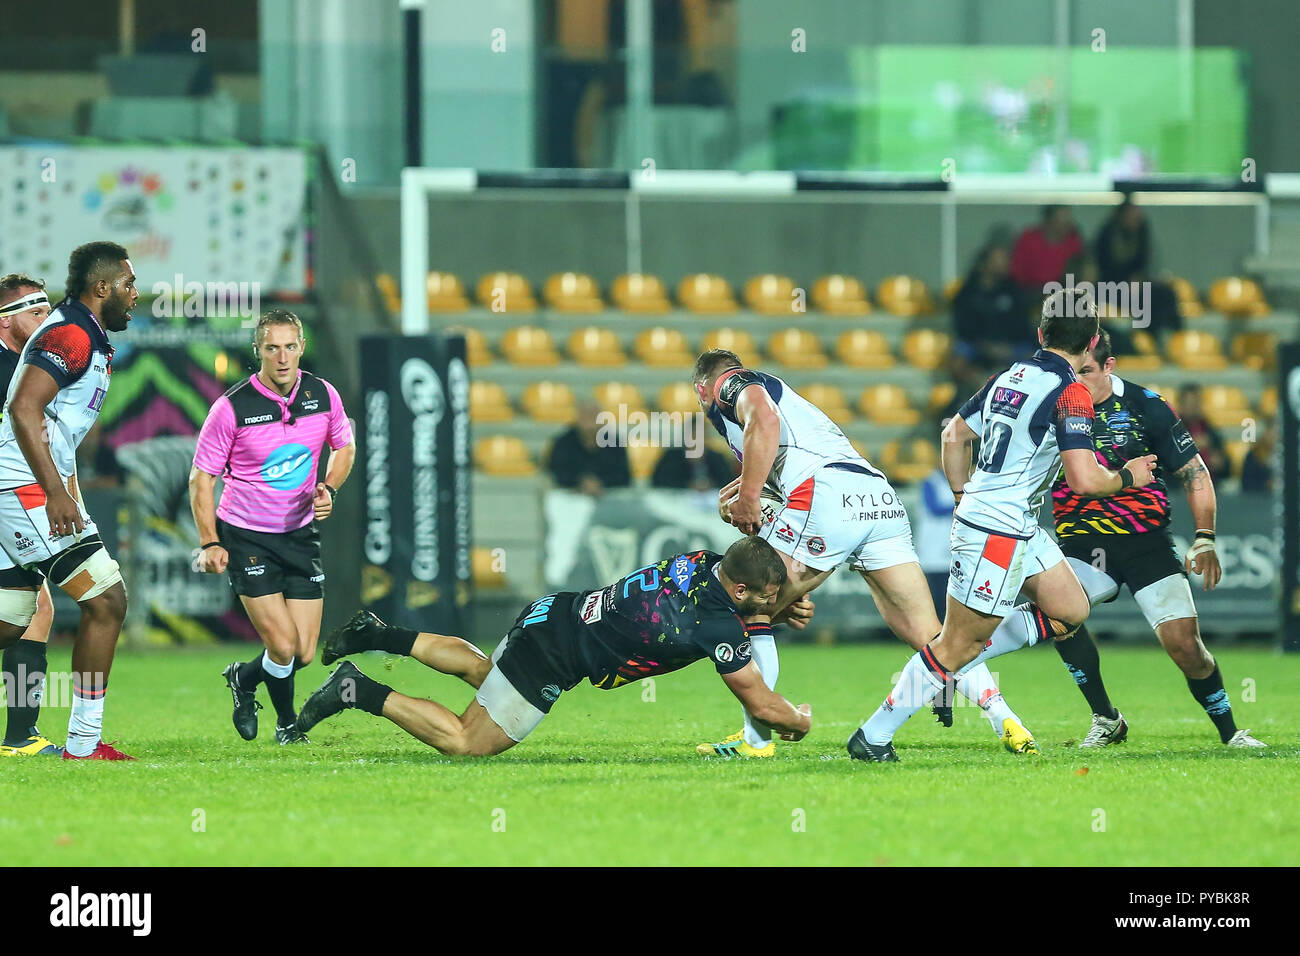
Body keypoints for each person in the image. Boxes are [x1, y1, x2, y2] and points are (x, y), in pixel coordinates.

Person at [850, 290, 1158, 762]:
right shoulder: (1072, 392)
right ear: (1092, 340)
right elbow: (1083, 479)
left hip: (1013, 524)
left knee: (1069, 608)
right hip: (997, 530)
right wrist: (1128, 476)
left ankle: (945, 662)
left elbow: (953, 434)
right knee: (957, 644)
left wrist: (961, 495)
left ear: (1040, 335)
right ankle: (874, 735)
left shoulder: (1010, 375)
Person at [693, 349, 1032, 759]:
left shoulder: (732, 384)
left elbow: (764, 420)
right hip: (877, 498)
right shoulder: (784, 407)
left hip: (826, 493)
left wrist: (748, 497)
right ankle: (1005, 717)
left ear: (701, 389)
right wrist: (751, 490)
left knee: (751, 608)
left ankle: (756, 741)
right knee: (934, 636)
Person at [294, 537, 812, 756]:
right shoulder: (716, 625)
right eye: (767, 597)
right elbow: (762, 704)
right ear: (740, 591)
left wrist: (777, 607)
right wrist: (800, 721)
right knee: (466, 741)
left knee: (487, 675)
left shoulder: (704, 560)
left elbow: (738, 597)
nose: (772, 603)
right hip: (555, 656)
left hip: (556, 610)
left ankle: (378, 635)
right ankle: (354, 690)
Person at [1045, 330, 1264, 748]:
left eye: (1086, 371)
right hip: (1082, 544)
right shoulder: (1054, 405)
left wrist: (1204, 537)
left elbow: (1194, 473)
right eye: (1073, 371)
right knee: (1059, 615)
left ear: (1109, 367)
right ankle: (1106, 718)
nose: (1076, 380)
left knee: (1185, 647)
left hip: (1146, 542)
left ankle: (1230, 732)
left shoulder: (1147, 406)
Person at [191, 310, 355, 745]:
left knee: (302, 652)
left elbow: (345, 446)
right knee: (282, 647)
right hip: (247, 537)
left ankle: (243, 679)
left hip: (300, 535)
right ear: (257, 351)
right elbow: (201, 479)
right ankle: (287, 726)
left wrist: (330, 489)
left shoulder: (323, 394)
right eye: (271, 348)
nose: (281, 357)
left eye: (289, 346)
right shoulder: (231, 407)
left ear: (301, 347)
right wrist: (210, 541)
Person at [0, 242, 138, 760]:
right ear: (101, 288)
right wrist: (56, 494)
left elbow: (54, 429)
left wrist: (67, 487)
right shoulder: (72, 335)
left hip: (24, 483)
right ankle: (82, 746)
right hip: (23, 486)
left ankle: (78, 743)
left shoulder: (88, 334)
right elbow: (23, 408)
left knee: (11, 618)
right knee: (107, 601)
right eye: (128, 284)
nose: (135, 294)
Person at [0, 275, 58, 756]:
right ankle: (20, 735)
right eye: (36, 313)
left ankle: (21, 736)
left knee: (35, 609)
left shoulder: (30, 370)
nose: (47, 322)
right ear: (5, 320)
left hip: (15, 504)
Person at [1094, 195, 1181, 334]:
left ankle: (1169, 334)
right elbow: (1103, 268)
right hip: (1109, 287)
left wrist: (1138, 279)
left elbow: (1143, 264)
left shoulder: (1142, 232)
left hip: (1137, 285)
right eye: (1131, 217)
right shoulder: (1106, 235)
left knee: (1164, 293)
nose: (1135, 222)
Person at [951, 242, 1034, 374]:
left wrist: (1006, 346)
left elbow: (1022, 324)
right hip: (977, 345)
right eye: (1000, 258)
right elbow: (963, 327)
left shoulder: (1012, 289)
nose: (1006, 263)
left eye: (1006, 258)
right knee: (958, 361)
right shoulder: (968, 292)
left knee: (1035, 357)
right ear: (984, 263)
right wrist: (985, 346)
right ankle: (980, 387)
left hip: (1010, 346)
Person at [546, 401, 631, 496]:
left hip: (608, 495)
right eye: (586, 416)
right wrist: (581, 483)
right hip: (570, 495)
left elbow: (624, 475)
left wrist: (600, 483)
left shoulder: (614, 442)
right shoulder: (563, 442)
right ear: (577, 418)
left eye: (594, 417)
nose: (590, 422)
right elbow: (556, 472)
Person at [1009, 205, 1083, 293]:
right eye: (1061, 219)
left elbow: (1078, 272)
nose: (1066, 223)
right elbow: (1017, 272)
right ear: (1048, 220)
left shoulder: (1074, 242)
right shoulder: (1028, 239)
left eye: (1068, 219)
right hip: (1029, 292)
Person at [1176, 384, 1230, 483]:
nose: (1195, 407)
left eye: (1197, 403)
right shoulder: (1173, 431)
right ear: (1181, 405)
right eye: (1191, 404)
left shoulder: (1210, 430)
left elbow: (1227, 467)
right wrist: (1190, 446)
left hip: (1211, 487)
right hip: (1181, 490)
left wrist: (1219, 462)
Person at [650, 439, 736, 490]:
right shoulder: (672, 456)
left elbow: (728, 483)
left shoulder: (717, 457)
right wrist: (687, 485)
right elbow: (659, 481)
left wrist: (712, 485)